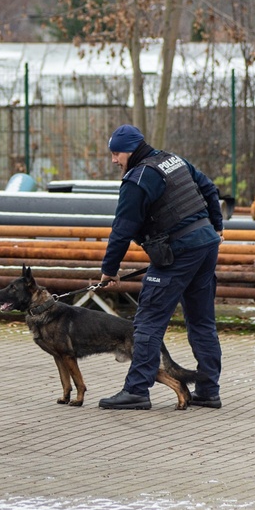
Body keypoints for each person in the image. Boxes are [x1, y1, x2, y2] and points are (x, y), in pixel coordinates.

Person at [97, 124, 224, 410]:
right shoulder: (173, 160)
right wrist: (217, 226)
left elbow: (123, 228)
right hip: (206, 246)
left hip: (177, 254)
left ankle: (137, 391)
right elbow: (210, 189)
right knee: (202, 322)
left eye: (116, 154)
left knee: (148, 322)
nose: (114, 160)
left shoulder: (138, 178)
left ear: (129, 150)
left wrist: (109, 269)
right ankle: (208, 390)